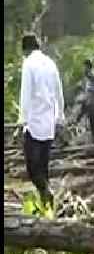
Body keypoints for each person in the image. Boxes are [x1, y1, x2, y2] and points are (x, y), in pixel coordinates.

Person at [18, 33, 65, 205]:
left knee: (32, 168)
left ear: (25, 49)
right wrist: (59, 117)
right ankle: (46, 202)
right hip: (48, 124)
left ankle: (46, 193)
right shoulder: (50, 63)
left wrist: (22, 121)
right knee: (43, 168)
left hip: (34, 124)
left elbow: (26, 94)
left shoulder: (29, 64)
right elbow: (59, 93)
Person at [76, 59, 94, 143]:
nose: (83, 69)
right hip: (89, 102)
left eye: (84, 67)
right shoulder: (88, 77)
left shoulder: (92, 75)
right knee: (91, 123)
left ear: (88, 66)